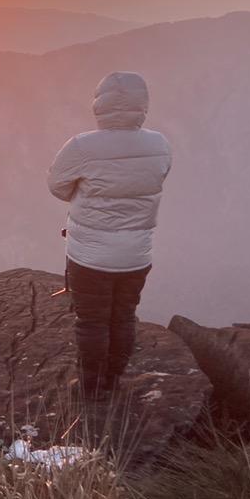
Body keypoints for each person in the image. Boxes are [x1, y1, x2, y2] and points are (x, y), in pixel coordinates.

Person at [47, 71, 172, 399]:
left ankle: (90, 390)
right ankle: (113, 381)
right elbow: (156, 178)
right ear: (142, 105)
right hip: (136, 254)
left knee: (92, 322)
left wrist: (87, 190)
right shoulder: (159, 144)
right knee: (124, 316)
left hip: (89, 255)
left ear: (99, 105)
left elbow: (57, 186)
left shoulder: (81, 146)